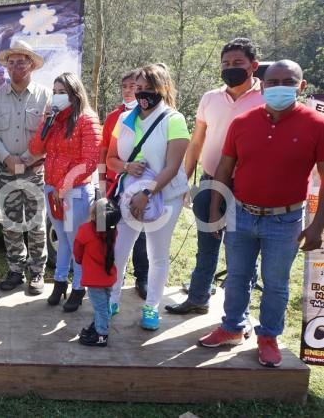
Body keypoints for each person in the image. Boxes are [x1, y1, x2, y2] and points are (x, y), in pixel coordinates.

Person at [198, 60, 324, 368]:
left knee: (276, 282)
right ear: (263, 84)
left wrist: (317, 227)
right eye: (273, 81)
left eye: (288, 81)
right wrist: (215, 210)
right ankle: (231, 328)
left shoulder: (317, 125)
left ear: (301, 86)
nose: (279, 86)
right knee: (238, 276)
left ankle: (268, 337)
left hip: (285, 220)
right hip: (241, 214)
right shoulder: (242, 122)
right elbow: (225, 168)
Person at [166, 38, 266, 316]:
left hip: (247, 187)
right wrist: (183, 180)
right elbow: (196, 142)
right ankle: (198, 297)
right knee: (206, 245)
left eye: (238, 63)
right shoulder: (210, 98)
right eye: (225, 64)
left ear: (253, 66)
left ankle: (238, 317)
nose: (230, 68)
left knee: (243, 255)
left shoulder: (267, 98)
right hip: (210, 182)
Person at [106, 63, 190, 330]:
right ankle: (111, 299)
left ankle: (152, 307)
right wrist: (126, 167)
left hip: (165, 197)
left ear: (162, 88)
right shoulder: (124, 118)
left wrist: (147, 192)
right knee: (119, 250)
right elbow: (111, 158)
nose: (142, 93)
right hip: (130, 195)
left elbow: (172, 166)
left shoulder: (173, 119)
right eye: (138, 88)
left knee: (157, 254)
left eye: (149, 88)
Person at [0, 39, 51, 294]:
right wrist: (7, 159)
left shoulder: (45, 96)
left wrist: (27, 158)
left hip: (35, 169)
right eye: (11, 63)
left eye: (21, 62)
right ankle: (15, 270)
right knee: (11, 223)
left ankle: (36, 272)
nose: (15, 67)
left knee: (36, 222)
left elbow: (49, 134)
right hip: (6, 169)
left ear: (31, 64)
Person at [28, 72, 100, 310]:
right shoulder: (53, 119)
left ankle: (79, 287)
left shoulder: (87, 119)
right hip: (52, 188)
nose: (57, 96)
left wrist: (67, 182)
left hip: (75, 191)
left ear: (75, 94)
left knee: (76, 241)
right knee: (62, 240)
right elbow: (36, 148)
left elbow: (90, 160)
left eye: (63, 92)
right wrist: (45, 122)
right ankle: (59, 283)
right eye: (55, 92)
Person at [99, 69, 149, 300]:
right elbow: (104, 153)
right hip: (114, 185)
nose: (129, 90)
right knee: (113, 234)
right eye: (125, 87)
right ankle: (111, 279)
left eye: (134, 86)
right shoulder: (113, 118)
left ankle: (142, 277)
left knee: (141, 236)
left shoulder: (154, 116)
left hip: (143, 188)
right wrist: (101, 181)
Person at [75, 198, 121, 347]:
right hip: (108, 277)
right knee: (105, 304)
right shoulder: (113, 231)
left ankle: (102, 335)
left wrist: (80, 260)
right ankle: (99, 324)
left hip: (95, 281)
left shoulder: (85, 230)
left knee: (100, 307)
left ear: (94, 216)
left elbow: (77, 252)